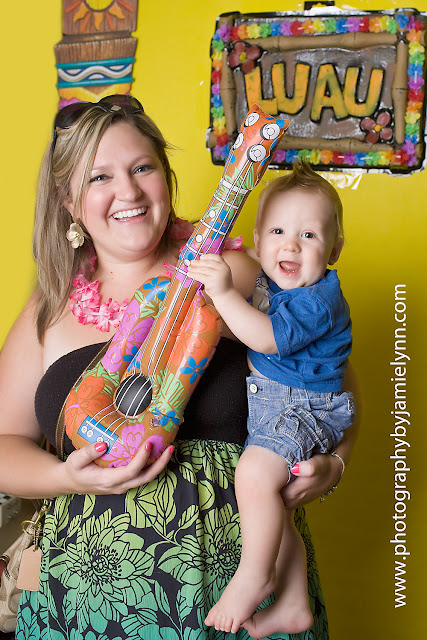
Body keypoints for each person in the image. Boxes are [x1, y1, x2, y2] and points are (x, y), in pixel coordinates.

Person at [0, 96, 356, 640]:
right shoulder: (49, 311)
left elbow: (330, 373)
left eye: (142, 167)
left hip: (237, 599)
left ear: (166, 177)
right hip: (82, 605)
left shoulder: (235, 272)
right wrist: (63, 476)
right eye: (100, 177)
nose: (128, 191)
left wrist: (334, 465)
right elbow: (4, 442)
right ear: (69, 202)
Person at [188, 161, 354, 638]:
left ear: (334, 249)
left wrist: (220, 292)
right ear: (257, 241)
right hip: (280, 404)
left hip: (304, 408)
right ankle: (294, 602)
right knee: (272, 504)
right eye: (279, 230)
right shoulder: (269, 283)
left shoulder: (316, 301)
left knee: (254, 474)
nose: (291, 245)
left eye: (309, 235)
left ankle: (255, 576)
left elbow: (264, 339)